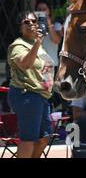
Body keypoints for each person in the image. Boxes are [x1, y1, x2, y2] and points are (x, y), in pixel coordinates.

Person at [7, 11, 55, 158]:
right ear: (19, 27)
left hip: (42, 96)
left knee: (44, 137)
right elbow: (26, 64)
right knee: (29, 138)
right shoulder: (18, 45)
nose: (32, 25)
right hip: (26, 94)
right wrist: (39, 42)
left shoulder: (38, 46)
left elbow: (45, 69)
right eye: (26, 22)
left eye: (34, 21)